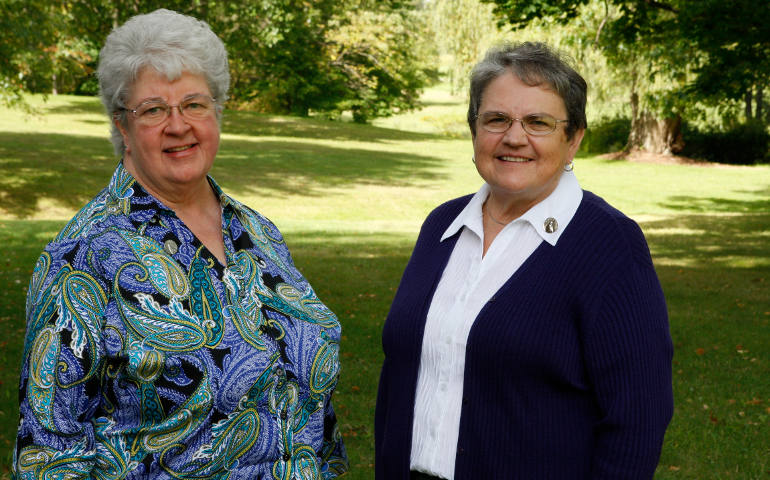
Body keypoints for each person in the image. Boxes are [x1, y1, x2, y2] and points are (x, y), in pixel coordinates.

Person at [13, 9, 347, 479]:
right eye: (153, 109)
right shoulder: (82, 255)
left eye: (194, 104)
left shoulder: (258, 232)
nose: (178, 124)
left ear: (217, 111)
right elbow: (50, 454)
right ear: (122, 126)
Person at [375, 42, 673, 479]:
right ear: (474, 130)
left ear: (572, 140)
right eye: (496, 119)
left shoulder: (609, 244)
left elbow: (638, 418)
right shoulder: (442, 226)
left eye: (538, 122)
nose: (514, 137)